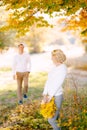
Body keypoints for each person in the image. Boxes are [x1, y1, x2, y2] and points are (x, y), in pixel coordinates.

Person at [41, 49, 67, 130]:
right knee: (56, 117)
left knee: (51, 119)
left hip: (56, 96)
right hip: (49, 95)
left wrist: (50, 96)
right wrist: (45, 94)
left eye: (52, 56)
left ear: (57, 57)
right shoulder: (53, 67)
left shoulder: (63, 68)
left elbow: (58, 84)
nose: (51, 58)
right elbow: (48, 81)